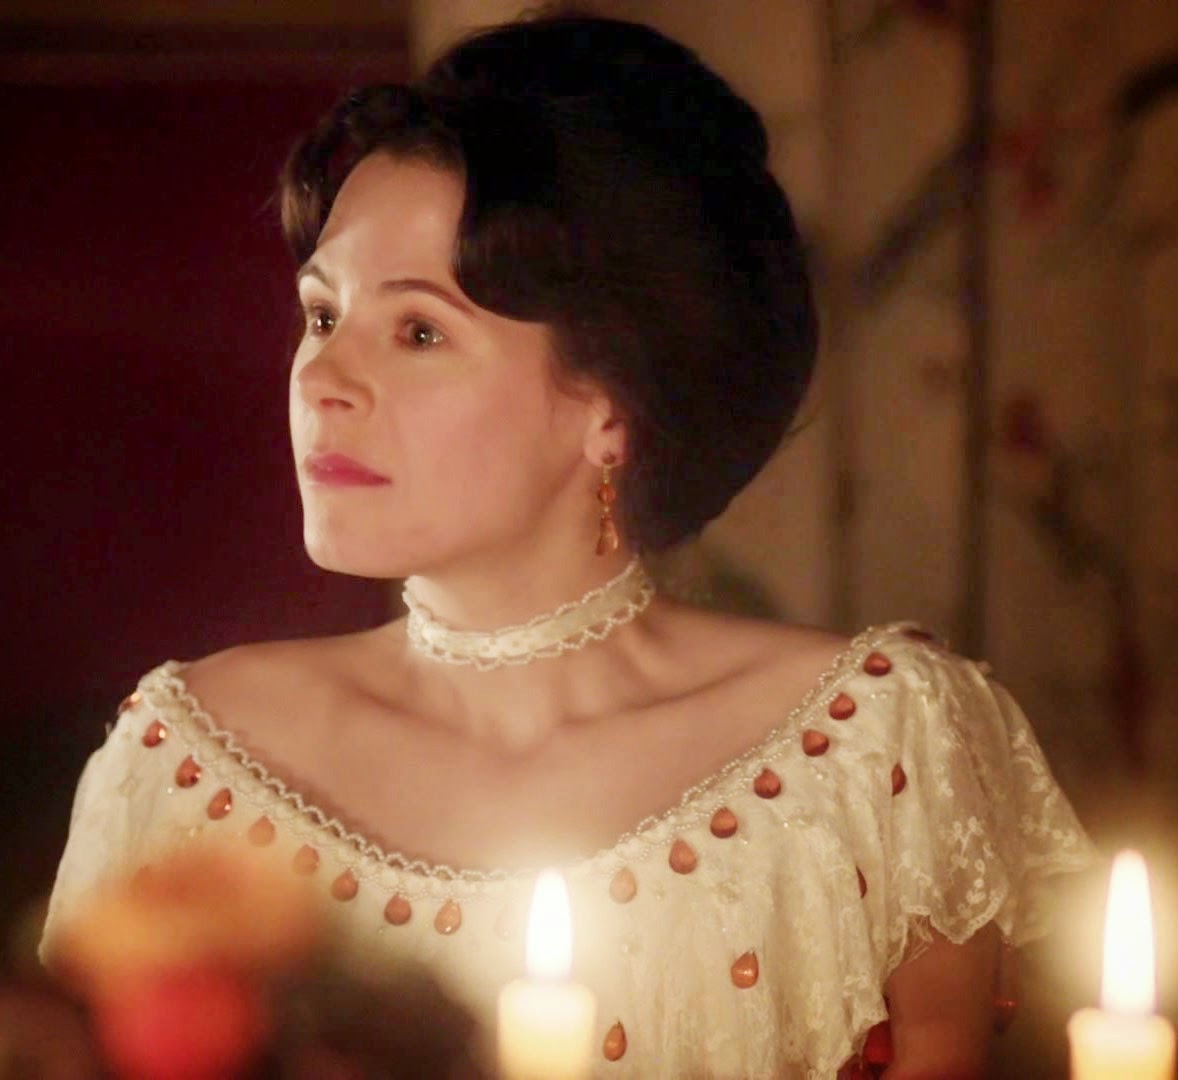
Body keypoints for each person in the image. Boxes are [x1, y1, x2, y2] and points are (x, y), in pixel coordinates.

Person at [41, 12, 1094, 1078]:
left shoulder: (875, 748)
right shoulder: (184, 763)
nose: (323, 381)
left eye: (417, 331)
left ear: (609, 405)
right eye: (321, 316)